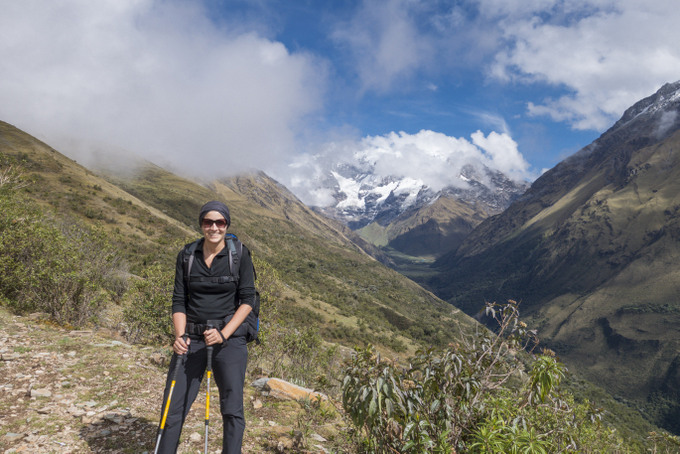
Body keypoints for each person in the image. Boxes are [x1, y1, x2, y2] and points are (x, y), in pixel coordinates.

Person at [156, 200, 256, 454]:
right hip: (191, 337)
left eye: (219, 222)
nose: (214, 227)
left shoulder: (240, 254)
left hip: (229, 339)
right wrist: (179, 336)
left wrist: (223, 334)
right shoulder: (187, 255)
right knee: (173, 404)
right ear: (201, 224)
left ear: (227, 225)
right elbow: (179, 300)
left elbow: (248, 301)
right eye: (208, 222)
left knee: (232, 409)